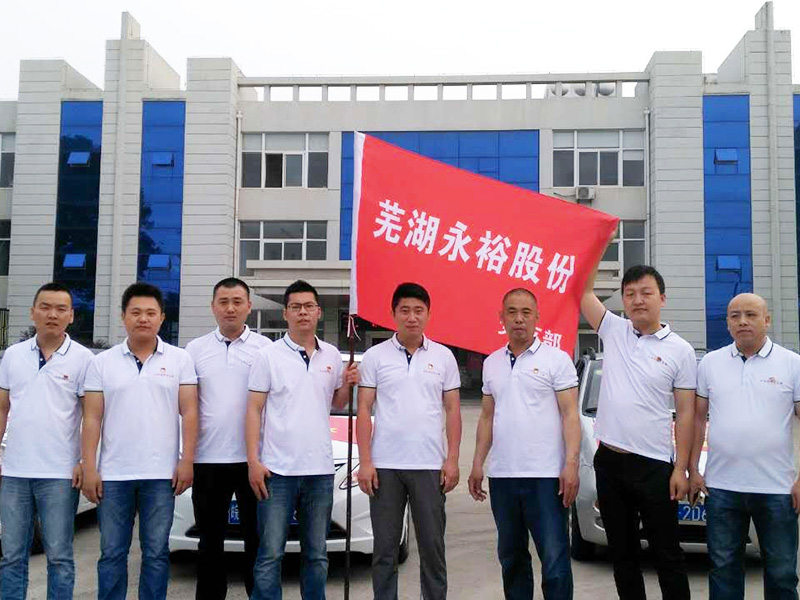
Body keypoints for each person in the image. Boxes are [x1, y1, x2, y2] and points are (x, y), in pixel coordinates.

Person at [581, 263, 696, 600]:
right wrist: (599, 244)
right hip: (609, 462)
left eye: (646, 293)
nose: (637, 300)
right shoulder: (613, 329)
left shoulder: (680, 350)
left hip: (655, 466)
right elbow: (584, 292)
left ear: (662, 298)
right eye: (629, 294)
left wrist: (681, 468)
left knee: (667, 553)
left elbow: (686, 413)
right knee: (623, 554)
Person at [81, 282, 198, 600]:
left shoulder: (180, 360)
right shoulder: (102, 363)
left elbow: (189, 412)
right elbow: (91, 418)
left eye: (150, 313)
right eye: (135, 312)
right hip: (113, 475)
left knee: (156, 553)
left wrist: (186, 460)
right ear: (123, 317)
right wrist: (89, 467)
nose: (143, 319)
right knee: (112, 553)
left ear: (162, 317)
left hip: (161, 475)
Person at [246, 279, 358, 600]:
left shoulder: (331, 355)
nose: (303, 312)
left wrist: (347, 384)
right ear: (285, 313)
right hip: (277, 471)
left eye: (309, 306)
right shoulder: (268, 356)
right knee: (270, 553)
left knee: (317, 554)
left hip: (319, 471)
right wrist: (253, 461)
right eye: (296, 307)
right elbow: (253, 410)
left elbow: (336, 403)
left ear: (319, 312)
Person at [468, 288, 580, 600]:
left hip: (546, 477)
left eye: (526, 312)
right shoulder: (492, 363)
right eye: (512, 312)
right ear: (501, 317)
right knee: (512, 558)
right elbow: (487, 417)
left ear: (537, 317)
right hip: (503, 476)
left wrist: (571, 464)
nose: (519, 319)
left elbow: (570, 415)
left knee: (555, 560)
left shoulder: (556, 360)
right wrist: (477, 463)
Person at [690, 293, 800, 600]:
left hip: (777, 489)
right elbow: (697, 420)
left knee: (781, 574)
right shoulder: (710, 364)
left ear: (767, 320)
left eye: (751, 315)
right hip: (722, 488)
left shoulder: (792, 364)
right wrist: (692, 469)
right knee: (723, 572)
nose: (742, 322)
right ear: (727, 323)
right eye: (735, 316)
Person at [357, 281, 462, 600]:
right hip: (385, 467)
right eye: (405, 310)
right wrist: (365, 462)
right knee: (385, 550)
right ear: (393, 314)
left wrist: (452, 460)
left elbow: (453, 410)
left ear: (428, 314)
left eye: (418, 310)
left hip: (429, 465)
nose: (412, 317)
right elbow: (364, 409)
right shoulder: (375, 356)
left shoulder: (444, 357)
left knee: (432, 548)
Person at [0, 282, 94, 600]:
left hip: (60, 474)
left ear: (71, 316)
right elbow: (2, 408)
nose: (52, 314)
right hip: (14, 472)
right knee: (12, 555)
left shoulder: (83, 359)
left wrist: (84, 461)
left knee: (59, 557)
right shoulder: (13, 356)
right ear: (33, 312)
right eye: (45, 307)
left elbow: (92, 416)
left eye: (60, 309)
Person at [185, 277, 271, 600]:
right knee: (209, 542)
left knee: (257, 541)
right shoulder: (194, 350)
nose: (230, 308)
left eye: (237, 301)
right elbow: (188, 406)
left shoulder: (266, 349)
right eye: (223, 302)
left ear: (249, 306)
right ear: (213, 307)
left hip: (254, 462)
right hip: (207, 460)